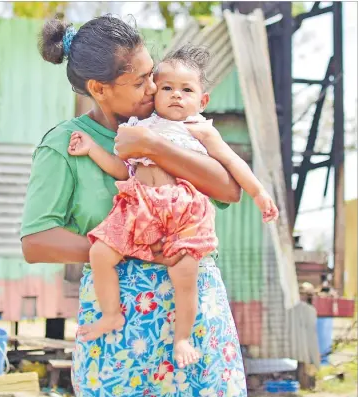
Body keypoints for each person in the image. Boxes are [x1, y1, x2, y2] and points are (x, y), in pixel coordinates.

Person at [22, 15, 248, 396]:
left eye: (152, 74)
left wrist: (155, 147)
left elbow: (229, 190)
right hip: (121, 318)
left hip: (193, 320)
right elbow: (36, 241)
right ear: (99, 88)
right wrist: (130, 250)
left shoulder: (175, 125)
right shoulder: (66, 144)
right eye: (140, 80)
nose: (154, 87)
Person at [67, 44, 278, 369]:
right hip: (136, 204)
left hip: (182, 210)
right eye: (167, 88)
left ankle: (182, 337)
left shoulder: (201, 129)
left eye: (186, 89)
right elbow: (123, 170)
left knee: (184, 274)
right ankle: (111, 314)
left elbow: (233, 163)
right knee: (100, 254)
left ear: (202, 100)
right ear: (154, 92)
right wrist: (93, 148)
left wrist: (259, 193)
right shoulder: (140, 126)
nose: (176, 95)